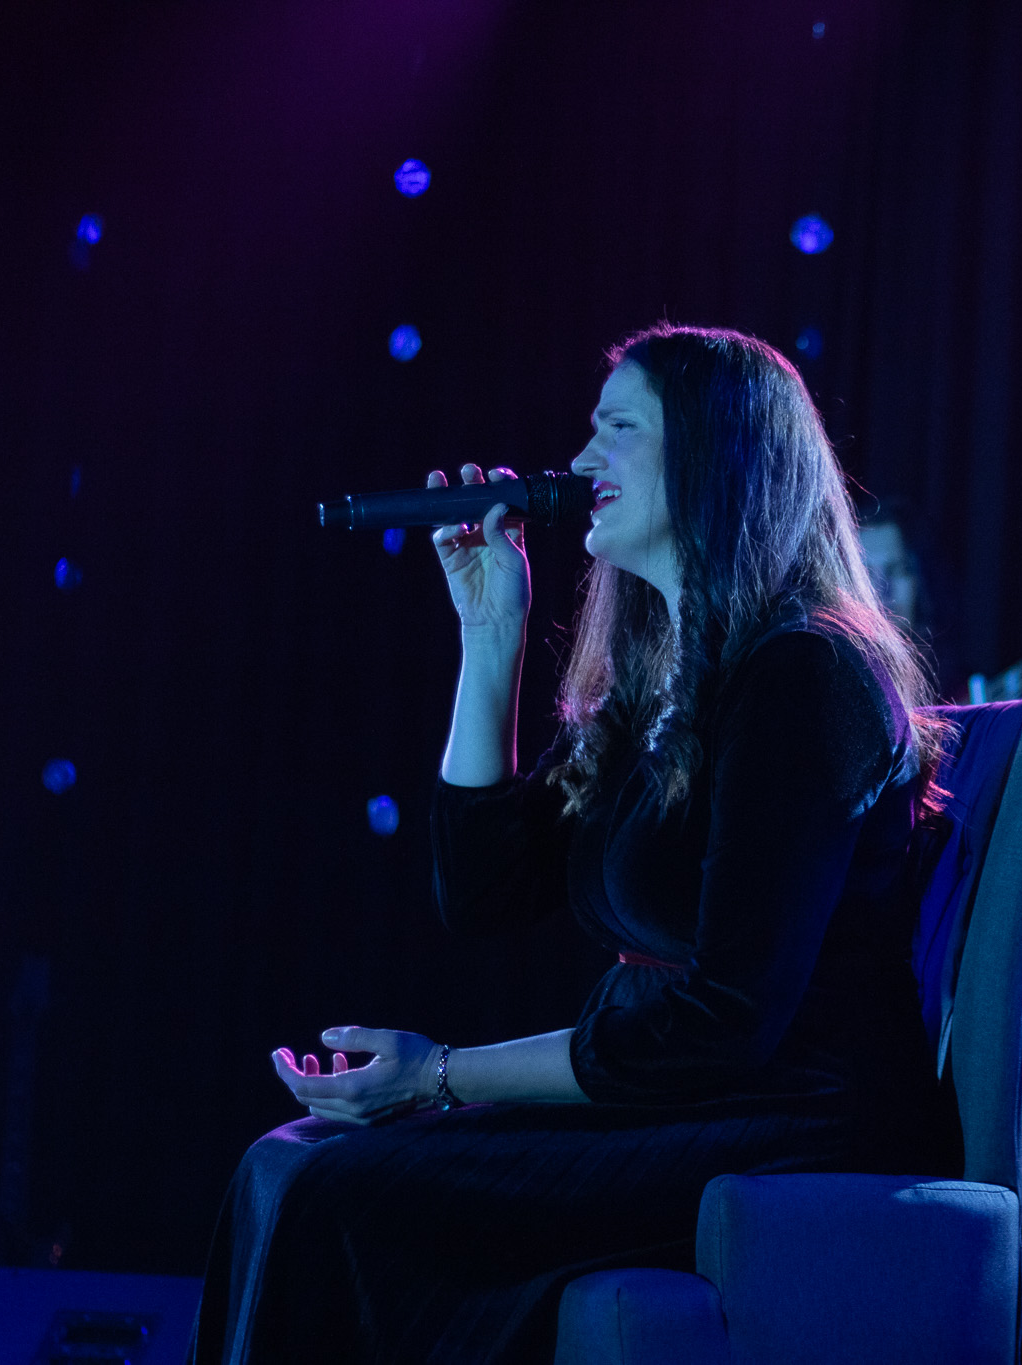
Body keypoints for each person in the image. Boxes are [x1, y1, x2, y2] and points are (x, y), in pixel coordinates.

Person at [190, 325, 963, 1363]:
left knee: (338, 1192)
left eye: (619, 429)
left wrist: (442, 1075)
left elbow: (728, 1020)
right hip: (673, 1093)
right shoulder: (661, 675)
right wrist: (490, 637)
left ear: (716, 454)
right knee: (282, 1162)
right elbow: (484, 893)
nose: (581, 457)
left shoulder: (803, 675)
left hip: (785, 1112)